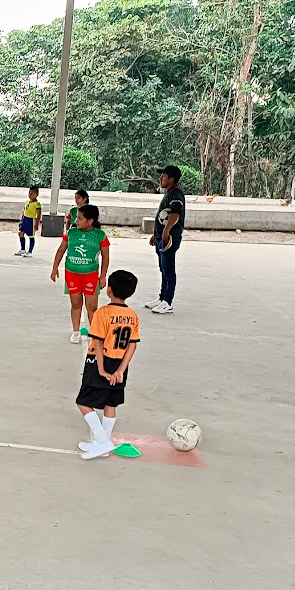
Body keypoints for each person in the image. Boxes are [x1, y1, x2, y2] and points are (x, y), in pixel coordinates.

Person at [75, 269, 141, 460]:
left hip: (100, 361)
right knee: (110, 403)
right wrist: (121, 369)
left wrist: (101, 369)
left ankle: (103, 441)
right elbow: (132, 345)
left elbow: (98, 342)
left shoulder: (103, 313)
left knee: (83, 402)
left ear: (109, 290)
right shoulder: (133, 316)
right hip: (120, 363)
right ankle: (100, 444)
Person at [50, 204, 110, 344]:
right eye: (76, 217)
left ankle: (94, 333)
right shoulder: (71, 233)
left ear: (90, 221)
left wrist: (103, 276)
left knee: (92, 306)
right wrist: (54, 268)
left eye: (80, 218)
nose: (76, 220)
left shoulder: (100, 236)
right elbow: (61, 250)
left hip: (91, 276)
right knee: (76, 303)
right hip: (72, 275)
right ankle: (75, 332)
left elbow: (105, 256)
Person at [145, 165, 185, 314]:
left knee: (168, 269)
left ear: (172, 179)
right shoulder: (169, 193)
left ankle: (168, 302)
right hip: (161, 237)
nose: (160, 178)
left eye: (164, 176)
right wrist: (156, 235)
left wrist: (166, 232)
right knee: (163, 268)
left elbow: (175, 214)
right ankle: (162, 298)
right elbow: (163, 217)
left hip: (170, 238)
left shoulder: (176, 193)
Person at [16, 185, 42, 257]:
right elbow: (24, 211)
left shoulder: (37, 204)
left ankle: (30, 251)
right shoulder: (27, 202)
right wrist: (22, 219)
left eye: (32, 193)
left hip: (31, 220)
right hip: (25, 220)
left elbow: (39, 215)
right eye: (29, 193)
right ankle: (22, 249)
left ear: (36, 194)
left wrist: (36, 224)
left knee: (31, 236)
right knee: (21, 233)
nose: (30, 195)